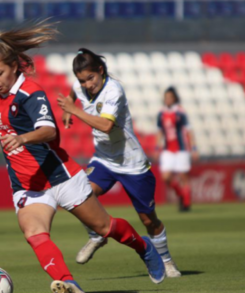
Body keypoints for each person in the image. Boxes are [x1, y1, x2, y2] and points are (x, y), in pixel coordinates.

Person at [0, 21, 166, 293]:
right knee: (34, 233)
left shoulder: (31, 92)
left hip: (60, 176)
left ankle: (143, 247)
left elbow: (50, 131)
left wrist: (23, 138)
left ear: (15, 67)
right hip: (28, 185)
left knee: (105, 228)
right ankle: (68, 284)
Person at [57, 49, 181, 278]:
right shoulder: (79, 86)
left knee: (148, 219)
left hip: (131, 162)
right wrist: (69, 110)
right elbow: (72, 93)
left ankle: (167, 261)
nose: (86, 85)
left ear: (100, 71)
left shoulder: (114, 90)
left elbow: (105, 126)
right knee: (78, 194)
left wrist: (73, 110)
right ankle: (96, 236)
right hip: (104, 159)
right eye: (82, 80)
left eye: (90, 78)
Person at [156, 86, 199, 212]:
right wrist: (157, 146)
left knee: (183, 176)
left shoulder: (180, 112)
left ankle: (186, 204)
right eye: (166, 97)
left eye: (170, 97)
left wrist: (194, 148)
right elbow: (160, 132)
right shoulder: (161, 113)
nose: (168, 100)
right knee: (166, 177)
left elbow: (189, 131)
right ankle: (180, 194)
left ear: (174, 98)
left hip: (181, 149)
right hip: (168, 149)